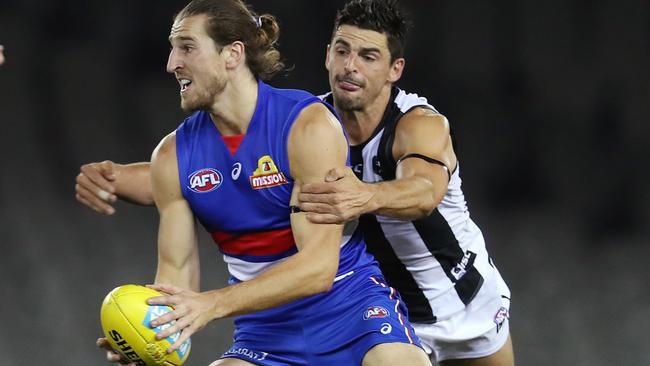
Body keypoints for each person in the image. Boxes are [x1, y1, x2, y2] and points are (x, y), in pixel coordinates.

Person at [78, 0, 513, 365]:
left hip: (445, 298)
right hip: (273, 324)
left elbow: (423, 192)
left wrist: (365, 195)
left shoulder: (404, 125)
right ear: (327, 55)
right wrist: (151, 338)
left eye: (367, 56)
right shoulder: (179, 154)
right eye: (342, 51)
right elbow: (199, 186)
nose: (172, 63)